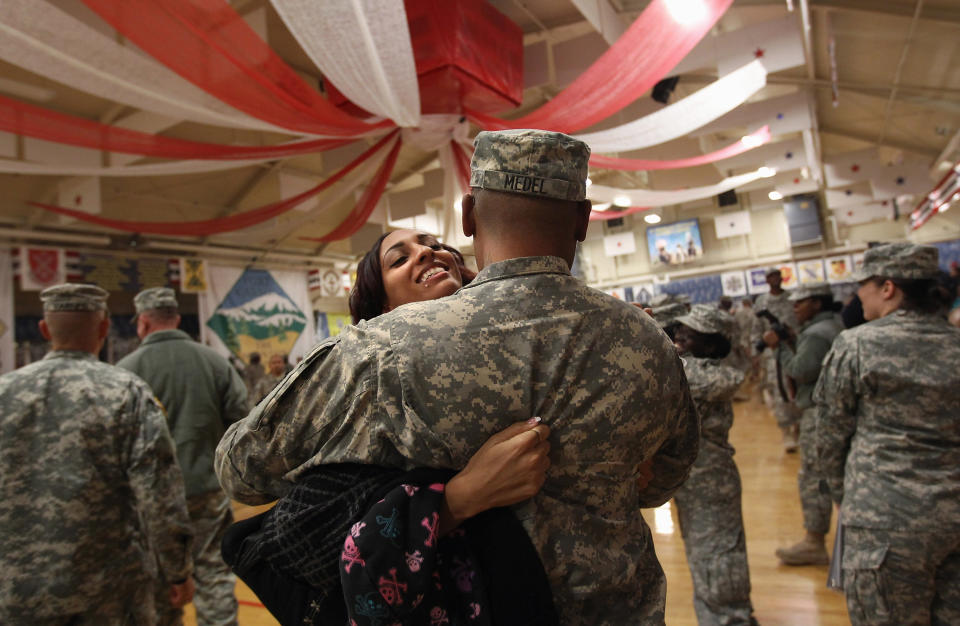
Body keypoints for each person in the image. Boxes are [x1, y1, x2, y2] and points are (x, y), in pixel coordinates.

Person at [217, 129, 700, 624]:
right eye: (399, 257)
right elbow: (660, 480)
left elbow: (243, 469)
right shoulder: (644, 339)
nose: (424, 255)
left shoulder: (378, 356)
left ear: (468, 216)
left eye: (426, 243)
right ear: (583, 219)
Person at [0, 284, 194, 625]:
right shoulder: (126, 393)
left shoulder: (4, 394)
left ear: (45, 330)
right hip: (108, 595)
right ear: (104, 328)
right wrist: (177, 570)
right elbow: (159, 494)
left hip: (16, 593)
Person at [814, 242, 960, 625]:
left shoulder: (857, 345)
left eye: (863, 283)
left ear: (888, 287)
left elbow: (829, 436)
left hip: (883, 521)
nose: (856, 294)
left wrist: (842, 496)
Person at [118, 287, 248, 626]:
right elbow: (243, 423)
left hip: (151, 501)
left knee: (161, 585)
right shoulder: (215, 362)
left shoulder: (124, 372)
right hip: (208, 489)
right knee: (215, 576)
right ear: (176, 319)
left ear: (142, 323)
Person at [668, 305, 757, 625]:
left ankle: (731, 619)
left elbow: (666, 365)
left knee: (718, 558)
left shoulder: (705, 374)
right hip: (695, 477)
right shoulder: (697, 366)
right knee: (705, 555)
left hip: (709, 478)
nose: (678, 336)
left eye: (689, 335)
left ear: (710, 346)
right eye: (679, 329)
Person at [765, 283, 843, 566]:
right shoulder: (835, 325)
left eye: (801, 303)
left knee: (814, 477)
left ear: (818, 304)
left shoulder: (815, 334)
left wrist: (779, 349)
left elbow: (799, 370)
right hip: (838, 411)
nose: (795, 307)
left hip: (819, 414)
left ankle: (814, 541)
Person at [753, 267, 801, 451]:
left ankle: (798, 429)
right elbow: (756, 330)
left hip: (795, 350)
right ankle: (786, 432)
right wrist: (756, 354)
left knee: (796, 390)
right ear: (766, 280)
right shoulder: (762, 302)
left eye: (777, 276)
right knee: (779, 392)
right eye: (771, 277)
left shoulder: (792, 299)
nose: (775, 279)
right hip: (772, 356)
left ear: (782, 278)